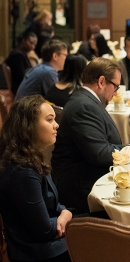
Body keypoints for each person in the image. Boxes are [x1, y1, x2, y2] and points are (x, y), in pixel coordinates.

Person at [51, 58, 130, 214]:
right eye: (115, 87)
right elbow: (98, 154)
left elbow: (98, 144)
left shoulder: (86, 101)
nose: (116, 93)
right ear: (101, 82)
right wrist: (127, 154)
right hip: (82, 190)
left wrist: (125, 149)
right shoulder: (84, 106)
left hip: (87, 179)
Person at [0, 95, 73, 262]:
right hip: (37, 253)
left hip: (46, 245)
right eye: (49, 120)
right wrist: (65, 216)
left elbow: (54, 205)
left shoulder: (30, 159)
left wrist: (65, 213)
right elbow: (44, 231)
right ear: (29, 126)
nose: (57, 125)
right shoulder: (22, 170)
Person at [4, 31, 37, 95]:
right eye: (31, 43)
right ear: (23, 40)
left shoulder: (22, 53)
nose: (33, 47)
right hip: (20, 88)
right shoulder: (17, 55)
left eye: (35, 45)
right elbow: (21, 76)